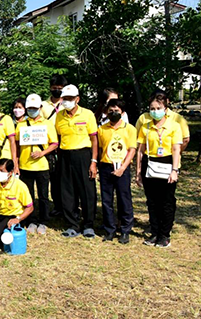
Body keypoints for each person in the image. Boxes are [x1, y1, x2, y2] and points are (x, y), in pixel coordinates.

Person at [135, 95, 182, 248]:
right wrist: (138, 171)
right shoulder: (145, 126)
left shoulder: (174, 126)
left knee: (166, 202)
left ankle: (164, 234)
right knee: (152, 201)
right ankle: (154, 232)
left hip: (167, 163)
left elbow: (176, 149)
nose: (155, 112)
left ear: (165, 109)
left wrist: (174, 170)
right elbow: (140, 151)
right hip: (150, 163)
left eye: (158, 108)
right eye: (152, 109)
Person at [55, 85, 99, 238]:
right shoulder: (59, 116)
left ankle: (88, 224)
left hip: (84, 155)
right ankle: (72, 224)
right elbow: (59, 137)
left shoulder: (87, 114)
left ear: (77, 99)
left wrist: (93, 162)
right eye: (64, 98)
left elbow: (94, 140)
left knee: (87, 191)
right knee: (67, 191)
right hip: (65, 155)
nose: (66, 101)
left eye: (69, 99)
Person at [15, 94, 58, 234]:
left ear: (40, 108)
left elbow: (54, 143)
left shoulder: (47, 124)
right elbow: (16, 144)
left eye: (34, 108)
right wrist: (16, 162)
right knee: (28, 196)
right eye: (29, 108)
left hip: (42, 165)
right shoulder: (21, 124)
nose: (32, 110)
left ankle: (43, 221)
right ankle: (31, 220)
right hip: (25, 165)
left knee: (43, 195)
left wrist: (42, 153)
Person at [97, 99, 136, 244]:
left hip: (122, 168)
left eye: (117, 111)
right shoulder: (102, 129)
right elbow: (100, 149)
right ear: (106, 112)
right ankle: (109, 230)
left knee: (124, 199)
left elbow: (132, 150)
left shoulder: (130, 129)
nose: (114, 113)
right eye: (111, 111)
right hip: (106, 167)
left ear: (122, 113)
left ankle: (125, 230)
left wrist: (122, 168)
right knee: (107, 200)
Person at [42, 74, 66, 217]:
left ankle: (68, 205)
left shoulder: (68, 104)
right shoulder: (43, 105)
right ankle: (57, 205)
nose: (57, 90)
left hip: (65, 144)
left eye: (60, 88)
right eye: (54, 88)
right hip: (49, 146)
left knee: (66, 178)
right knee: (54, 178)